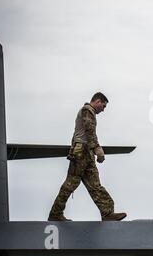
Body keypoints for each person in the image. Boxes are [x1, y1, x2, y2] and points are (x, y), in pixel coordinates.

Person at [48, 92, 127, 221]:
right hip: (81, 152)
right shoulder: (87, 110)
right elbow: (89, 131)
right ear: (97, 101)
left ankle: (107, 213)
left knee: (95, 185)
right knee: (71, 183)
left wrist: (93, 149)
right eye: (103, 106)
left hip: (86, 152)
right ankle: (55, 214)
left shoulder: (89, 112)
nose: (103, 109)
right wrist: (97, 149)